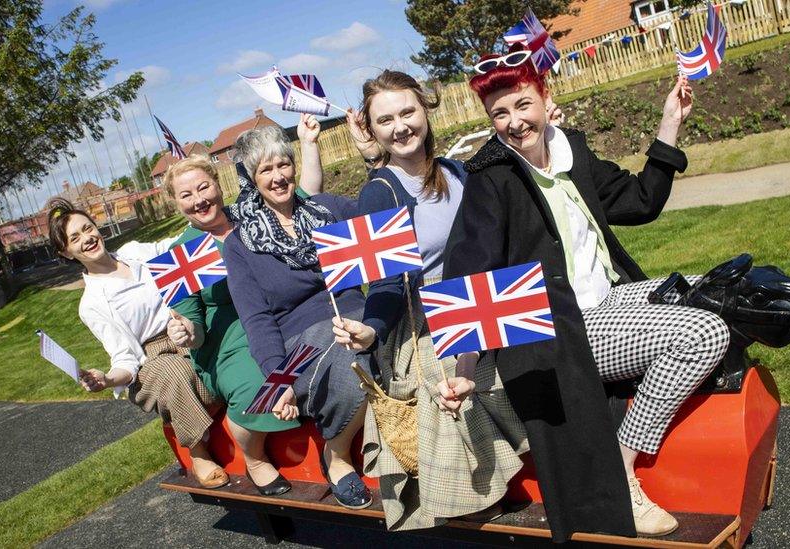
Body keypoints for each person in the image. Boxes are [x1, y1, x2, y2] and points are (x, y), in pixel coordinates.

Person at [442, 47, 730, 541]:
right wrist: (464, 372)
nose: (514, 122)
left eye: (523, 105)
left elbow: (640, 202)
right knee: (704, 332)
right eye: (500, 114)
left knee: (715, 291)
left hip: (610, 299)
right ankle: (623, 468)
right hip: (560, 329)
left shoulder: (570, 147)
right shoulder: (491, 178)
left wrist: (669, 125)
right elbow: (469, 277)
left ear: (543, 97)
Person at [330, 70, 530, 530]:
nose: (400, 127)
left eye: (407, 112)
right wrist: (370, 330)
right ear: (372, 130)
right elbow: (383, 285)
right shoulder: (379, 191)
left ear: (425, 110)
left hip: (479, 296)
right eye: (386, 120)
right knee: (454, 377)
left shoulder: (458, 170)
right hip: (420, 313)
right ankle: (470, 492)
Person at [161, 116, 323, 497]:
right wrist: (185, 330)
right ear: (177, 204)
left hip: (279, 316)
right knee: (264, 384)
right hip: (226, 339)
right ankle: (252, 453)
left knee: (319, 355)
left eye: (204, 187)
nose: (199, 199)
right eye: (186, 195)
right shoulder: (180, 253)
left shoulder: (251, 214)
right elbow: (195, 328)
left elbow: (305, 197)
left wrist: (309, 144)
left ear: (220, 185)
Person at [223, 123, 372, 510]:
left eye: (283, 164)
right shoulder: (241, 244)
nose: (278, 177)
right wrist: (278, 380)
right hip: (301, 343)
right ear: (252, 180)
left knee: (389, 343)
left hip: (358, 316)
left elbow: (383, 216)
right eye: (265, 170)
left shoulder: (327, 210)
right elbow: (257, 321)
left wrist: (373, 157)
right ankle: (336, 454)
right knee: (352, 362)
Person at [47, 198, 228, 489]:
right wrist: (106, 379)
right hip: (151, 359)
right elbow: (124, 358)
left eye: (88, 228)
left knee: (229, 339)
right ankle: (198, 450)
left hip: (185, 326)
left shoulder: (134, 253)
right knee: (176, 373)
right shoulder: (92, 303)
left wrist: (201, 213)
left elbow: (174, 246)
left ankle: (222, 409)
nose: (87, 238)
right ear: (66, 252)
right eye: (75, 238)